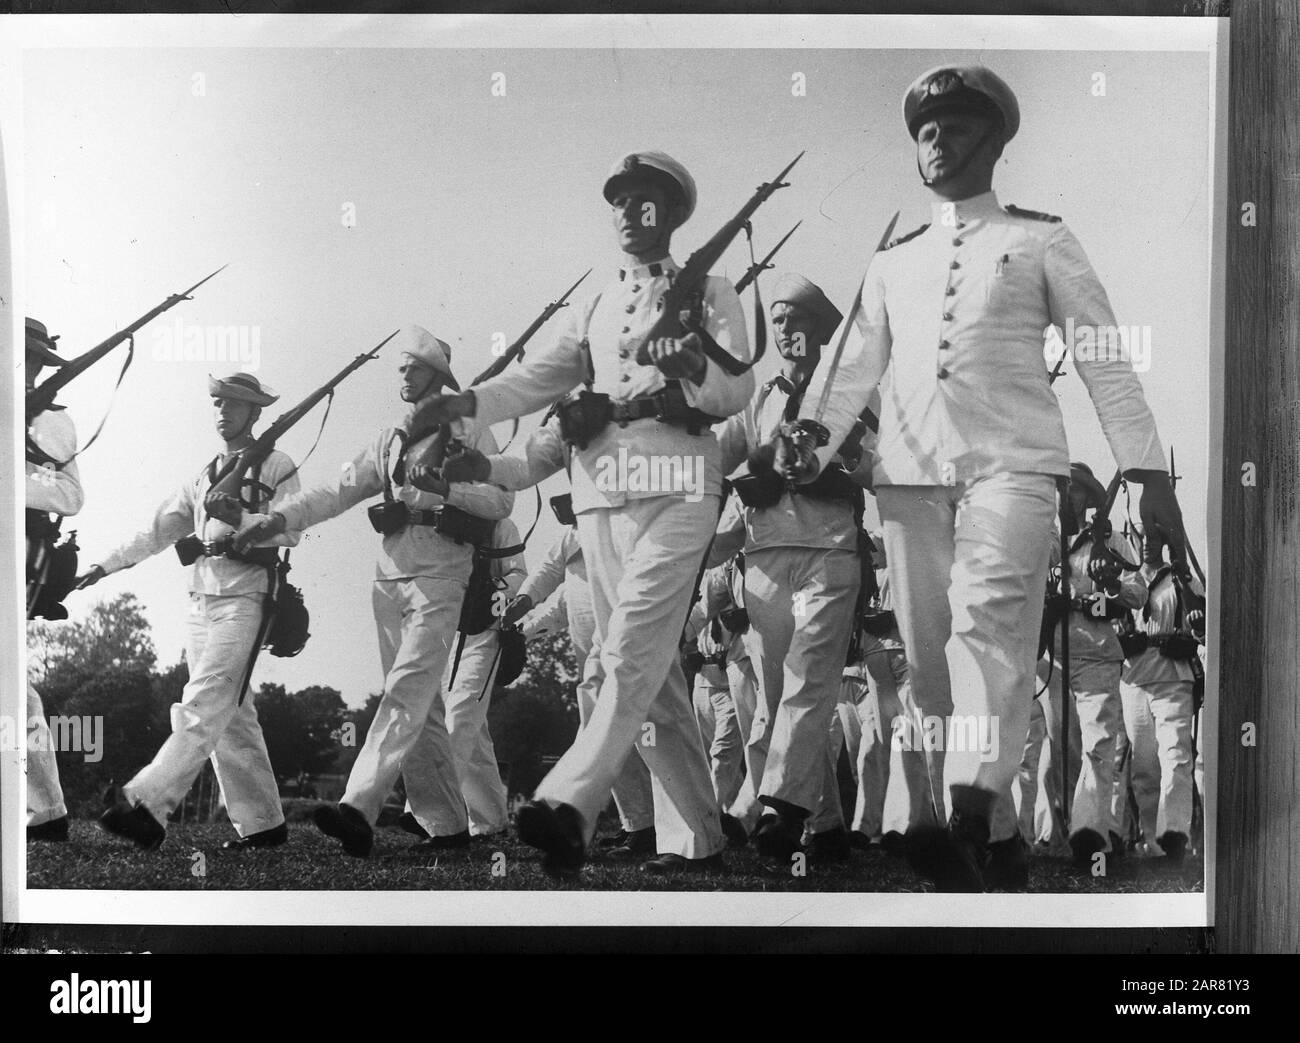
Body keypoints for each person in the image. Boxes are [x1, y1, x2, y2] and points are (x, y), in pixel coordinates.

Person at [779, 65, 1182, 891]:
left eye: (959, 125)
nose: (939, 139)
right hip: (911, 477)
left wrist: (1146, 470)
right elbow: (852, 367)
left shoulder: (1042, 238)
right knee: (930, 669)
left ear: (996, 142)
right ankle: (992, 838)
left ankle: (969, 795)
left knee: (987, 622)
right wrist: (808, 444)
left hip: (1014, 467)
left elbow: (1105, 357)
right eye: (928, 130)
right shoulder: (892, 262)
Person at [428, 150, 754, 875]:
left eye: (648, 201)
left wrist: (694, 363)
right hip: (602, 496)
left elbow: (738, 390)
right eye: (621, 200)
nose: (632, 213)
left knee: (628, 652)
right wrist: (475, 415)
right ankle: (697, 834)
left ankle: (569, 798)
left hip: (679, 482)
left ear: (671, 214)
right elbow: (542, 397)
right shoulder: (594, 307)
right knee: (650, 672)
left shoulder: (714, 291)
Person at [234, 326, 513, 856]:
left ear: (437, 375)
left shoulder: (470, 432)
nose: (403, 375)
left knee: (404, 691)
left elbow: (501, 502)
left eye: (413, 367)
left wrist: (446, 488)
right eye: (402, 367)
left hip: (442, 574)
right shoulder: (391, 437)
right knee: (420, 706)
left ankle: (357, 807)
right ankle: (449, 828)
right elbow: (338, 490)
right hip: (389, 577)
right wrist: (275, 519)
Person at [79, 371, 300, 851]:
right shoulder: (203, 475)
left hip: (247, 597)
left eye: (235, 405)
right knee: (232, 715)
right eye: (218, 403)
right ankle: (264, 824)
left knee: (201, 704)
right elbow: (157, 530)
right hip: (202, 599)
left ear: (256, 413)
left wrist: (241, 517)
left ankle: (147, 805)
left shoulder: (277, 464)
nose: (223, 412)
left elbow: (292, 530)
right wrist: (104, 564)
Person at [715, 271, 866, 869]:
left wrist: (836, 466)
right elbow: (723, 459)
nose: (784, 330)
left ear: (821, 331)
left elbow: (876, 464)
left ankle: (779, 809)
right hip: (764, 552)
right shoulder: (758, 397)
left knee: (808, 678)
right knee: (780, 693)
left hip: (829, 547)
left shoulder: (853, 391)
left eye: (795, 319)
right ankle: (826, 829)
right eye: (776, 320)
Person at [505, 486, 657, 857]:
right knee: (607, 734)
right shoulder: (569, 539)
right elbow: (552, 590)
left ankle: (645, 825)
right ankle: (637, 826)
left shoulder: (618, 528)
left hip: (624, 648)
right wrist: (520, 617)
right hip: (589, 658)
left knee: (631, 737)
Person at [1039, 462, 1145, 865]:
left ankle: (1091, 836)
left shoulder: (1110, 539)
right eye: (1061, 490)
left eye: (1075, 491)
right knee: (1062, 750)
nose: (1068, 498)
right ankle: (1066, 834)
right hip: (1053, 657)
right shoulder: (1045, 539)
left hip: (1097, 652)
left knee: (1099, 744)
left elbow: (1136, 594)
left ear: (1089, 497)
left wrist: (1108, 588)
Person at [400, 517, 526, 846]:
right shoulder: (441, 521)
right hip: (446, 632)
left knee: (459, 717)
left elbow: (517, 573)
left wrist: (492, 594)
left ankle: (427, 812)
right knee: (474, 735)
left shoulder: (499, 526)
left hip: (486, 634)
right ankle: (490, 821)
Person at [24, 318, 83, 843]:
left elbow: (69, 496)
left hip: (17, 553)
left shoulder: (49, 423)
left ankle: (46, 813)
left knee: (12, 691)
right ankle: (45, 814)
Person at [1116, 531, 1205, 863]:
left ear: (1166, 538)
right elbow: (1113, 620)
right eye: (1145, 534)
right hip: (1135, 677)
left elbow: (1203, 621)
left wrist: (1192, 633)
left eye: (1156, 535)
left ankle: (1175, 836)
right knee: (1143, 766)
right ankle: (1151, 840)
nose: (1150, 543)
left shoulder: (1182, 578)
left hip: (1172, 676)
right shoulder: (1126, 578)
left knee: (1176, 755)